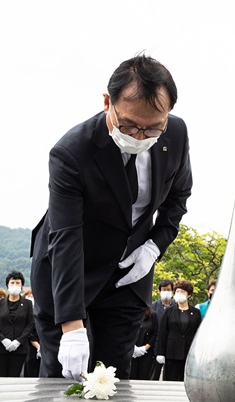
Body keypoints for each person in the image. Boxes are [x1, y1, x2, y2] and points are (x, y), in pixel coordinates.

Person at [30, 54, 192, 382]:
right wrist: (73, 327)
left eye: (152, 127)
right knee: (64, 377)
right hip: (68, 274)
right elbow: (67, 236)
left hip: (127, 278)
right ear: (108, 102)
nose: (140, 135)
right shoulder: (71, 152)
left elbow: (177, 199)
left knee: (114, 377)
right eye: (130, 124)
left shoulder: (174, 134)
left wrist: (152, 249)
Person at [0, 270, 35, 377]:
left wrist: (18, 341)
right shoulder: (0, 303)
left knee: (14, 377)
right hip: (0, 348)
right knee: (0, 377)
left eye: (18, 283)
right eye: (12, 283)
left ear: (22, 285)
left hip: (19, 349)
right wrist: (3, 340)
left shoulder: (27, 303)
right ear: (7, 285)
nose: (15, 285)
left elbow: (30, 324)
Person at [156, 280, 201, 381]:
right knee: (170, 381)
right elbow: (163, 333)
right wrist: (160, 352)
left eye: (182, 292)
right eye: (177, 291)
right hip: (171, 353)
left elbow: (198, 334)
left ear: (189, 295)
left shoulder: (196, 313)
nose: (179, 294)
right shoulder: (169, 311)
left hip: (188, 354)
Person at [150, 279, 176, 380]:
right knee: (153, 376)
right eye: (164, 289)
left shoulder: (177, 306)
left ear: (172, 291)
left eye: (169, 290)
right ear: (159, 291)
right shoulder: (152, 306)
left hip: (171, 346)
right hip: (155, 346)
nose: (166, 292)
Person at [130, 306, 158, 380]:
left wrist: (145, 348)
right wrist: (132, 347)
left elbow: (155, 333)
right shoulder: (130, 312)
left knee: (144, 377)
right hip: (131, 351)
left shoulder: (153, 315)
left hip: (146, 351)